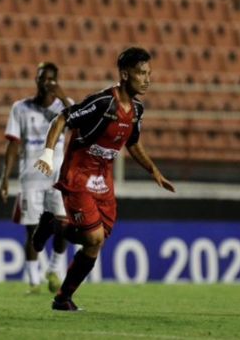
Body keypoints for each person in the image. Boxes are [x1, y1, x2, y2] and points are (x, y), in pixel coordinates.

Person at [32, 47, 175, 310]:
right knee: (94, 237)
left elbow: (132, 143)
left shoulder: (137, 111)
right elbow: (63, 118)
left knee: (95, 243)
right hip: (78, 175)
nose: (147, 79)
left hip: (103, 179)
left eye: (149, 73)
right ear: (124, 74)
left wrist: (153, 170)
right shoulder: (102, 103)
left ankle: (63, 298)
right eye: (141, 73)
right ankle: (53, 225)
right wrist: (48, 153)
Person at [0, 62, 73, 294]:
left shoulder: (66, 106)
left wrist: (62, 97)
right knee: (32, 229)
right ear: (36, 80)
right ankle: (33, 281)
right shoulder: (20, 108)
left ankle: (54, 269)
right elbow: (13, 144)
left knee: (63, 225)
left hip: (58, 176)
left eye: (51, 79)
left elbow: (80, 127)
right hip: (30, 178)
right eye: (42, 78)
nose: (46, 83)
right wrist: (4, 179)